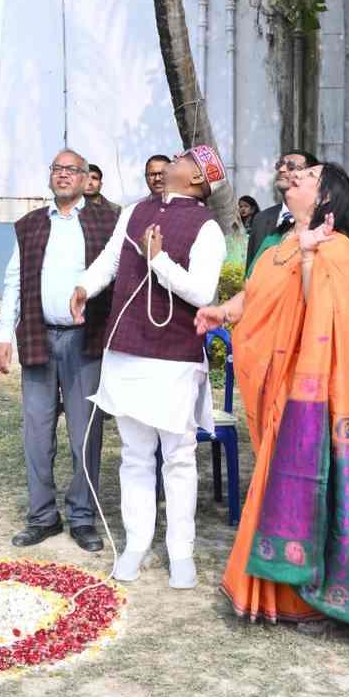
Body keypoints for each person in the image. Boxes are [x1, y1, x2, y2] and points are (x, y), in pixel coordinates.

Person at [199, 161, 349, 642]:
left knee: (299, 483)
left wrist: (311, 255)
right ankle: (275, 590)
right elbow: (254, 293)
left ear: (325, 196)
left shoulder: (340, 249)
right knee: (275, 480)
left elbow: (324, 312)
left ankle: (301, 596)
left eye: (308, 175)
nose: (295, 176)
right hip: (272, 381)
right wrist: (220, 312)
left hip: (312, 392)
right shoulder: (278, 241)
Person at [70, 146, 227, 589]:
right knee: (135, 455)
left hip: (174, 355)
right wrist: (84, 287)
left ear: (197, 179)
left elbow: (202, 292)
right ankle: (136, 544)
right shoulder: (135, 211)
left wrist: (158, 260)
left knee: (178, 457)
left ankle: (181, 552)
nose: (173, 159)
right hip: (127, 348)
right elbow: (111, 262)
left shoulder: (208, 227)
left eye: (183, 158)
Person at [0, 149, 118, 552]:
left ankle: (82, 517)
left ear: (85, 178)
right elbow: (14, 281)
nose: (63, 175)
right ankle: (42, 517)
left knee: (86, 434)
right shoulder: (30, 225)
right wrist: (3, 335)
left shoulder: (106, 222)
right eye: (57, 169)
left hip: (87, 341)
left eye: (72, 170)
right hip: (38, 336)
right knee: (37, 433)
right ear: (51, 176)